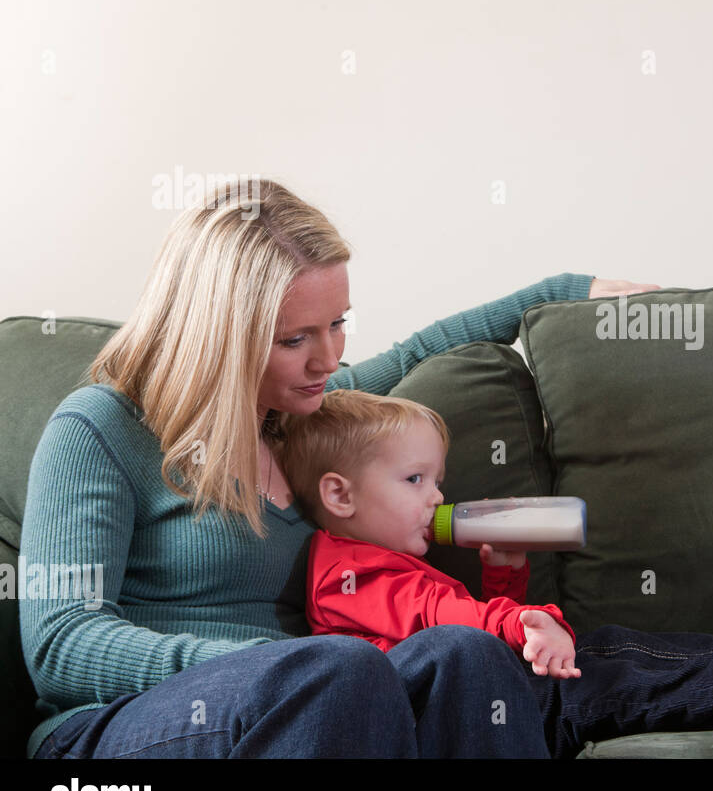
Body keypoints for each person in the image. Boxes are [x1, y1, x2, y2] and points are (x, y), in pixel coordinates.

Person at [19, 178, 670, 758]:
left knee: (467, 655)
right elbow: (61, 648)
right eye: (294, 339)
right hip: (121, 726)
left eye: (337, 324)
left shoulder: (304, 423)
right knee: (343, 672)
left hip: (320, 697)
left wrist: (566, 293)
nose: (326, 359)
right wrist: (277, 664)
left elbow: (424, 347)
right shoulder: (100, 428)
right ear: (216, 335)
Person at [278, 387, 713, 757]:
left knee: (614, 654)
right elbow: (438, 618)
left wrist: (504, 580)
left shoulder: (384, 560)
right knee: (606, 676)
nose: (437, 496)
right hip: (450, 723)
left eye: (437, 479)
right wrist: (522, 618)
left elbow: (462, 619)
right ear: (339, 494)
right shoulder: (345, 575)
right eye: (415, 479)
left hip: (492, 698)